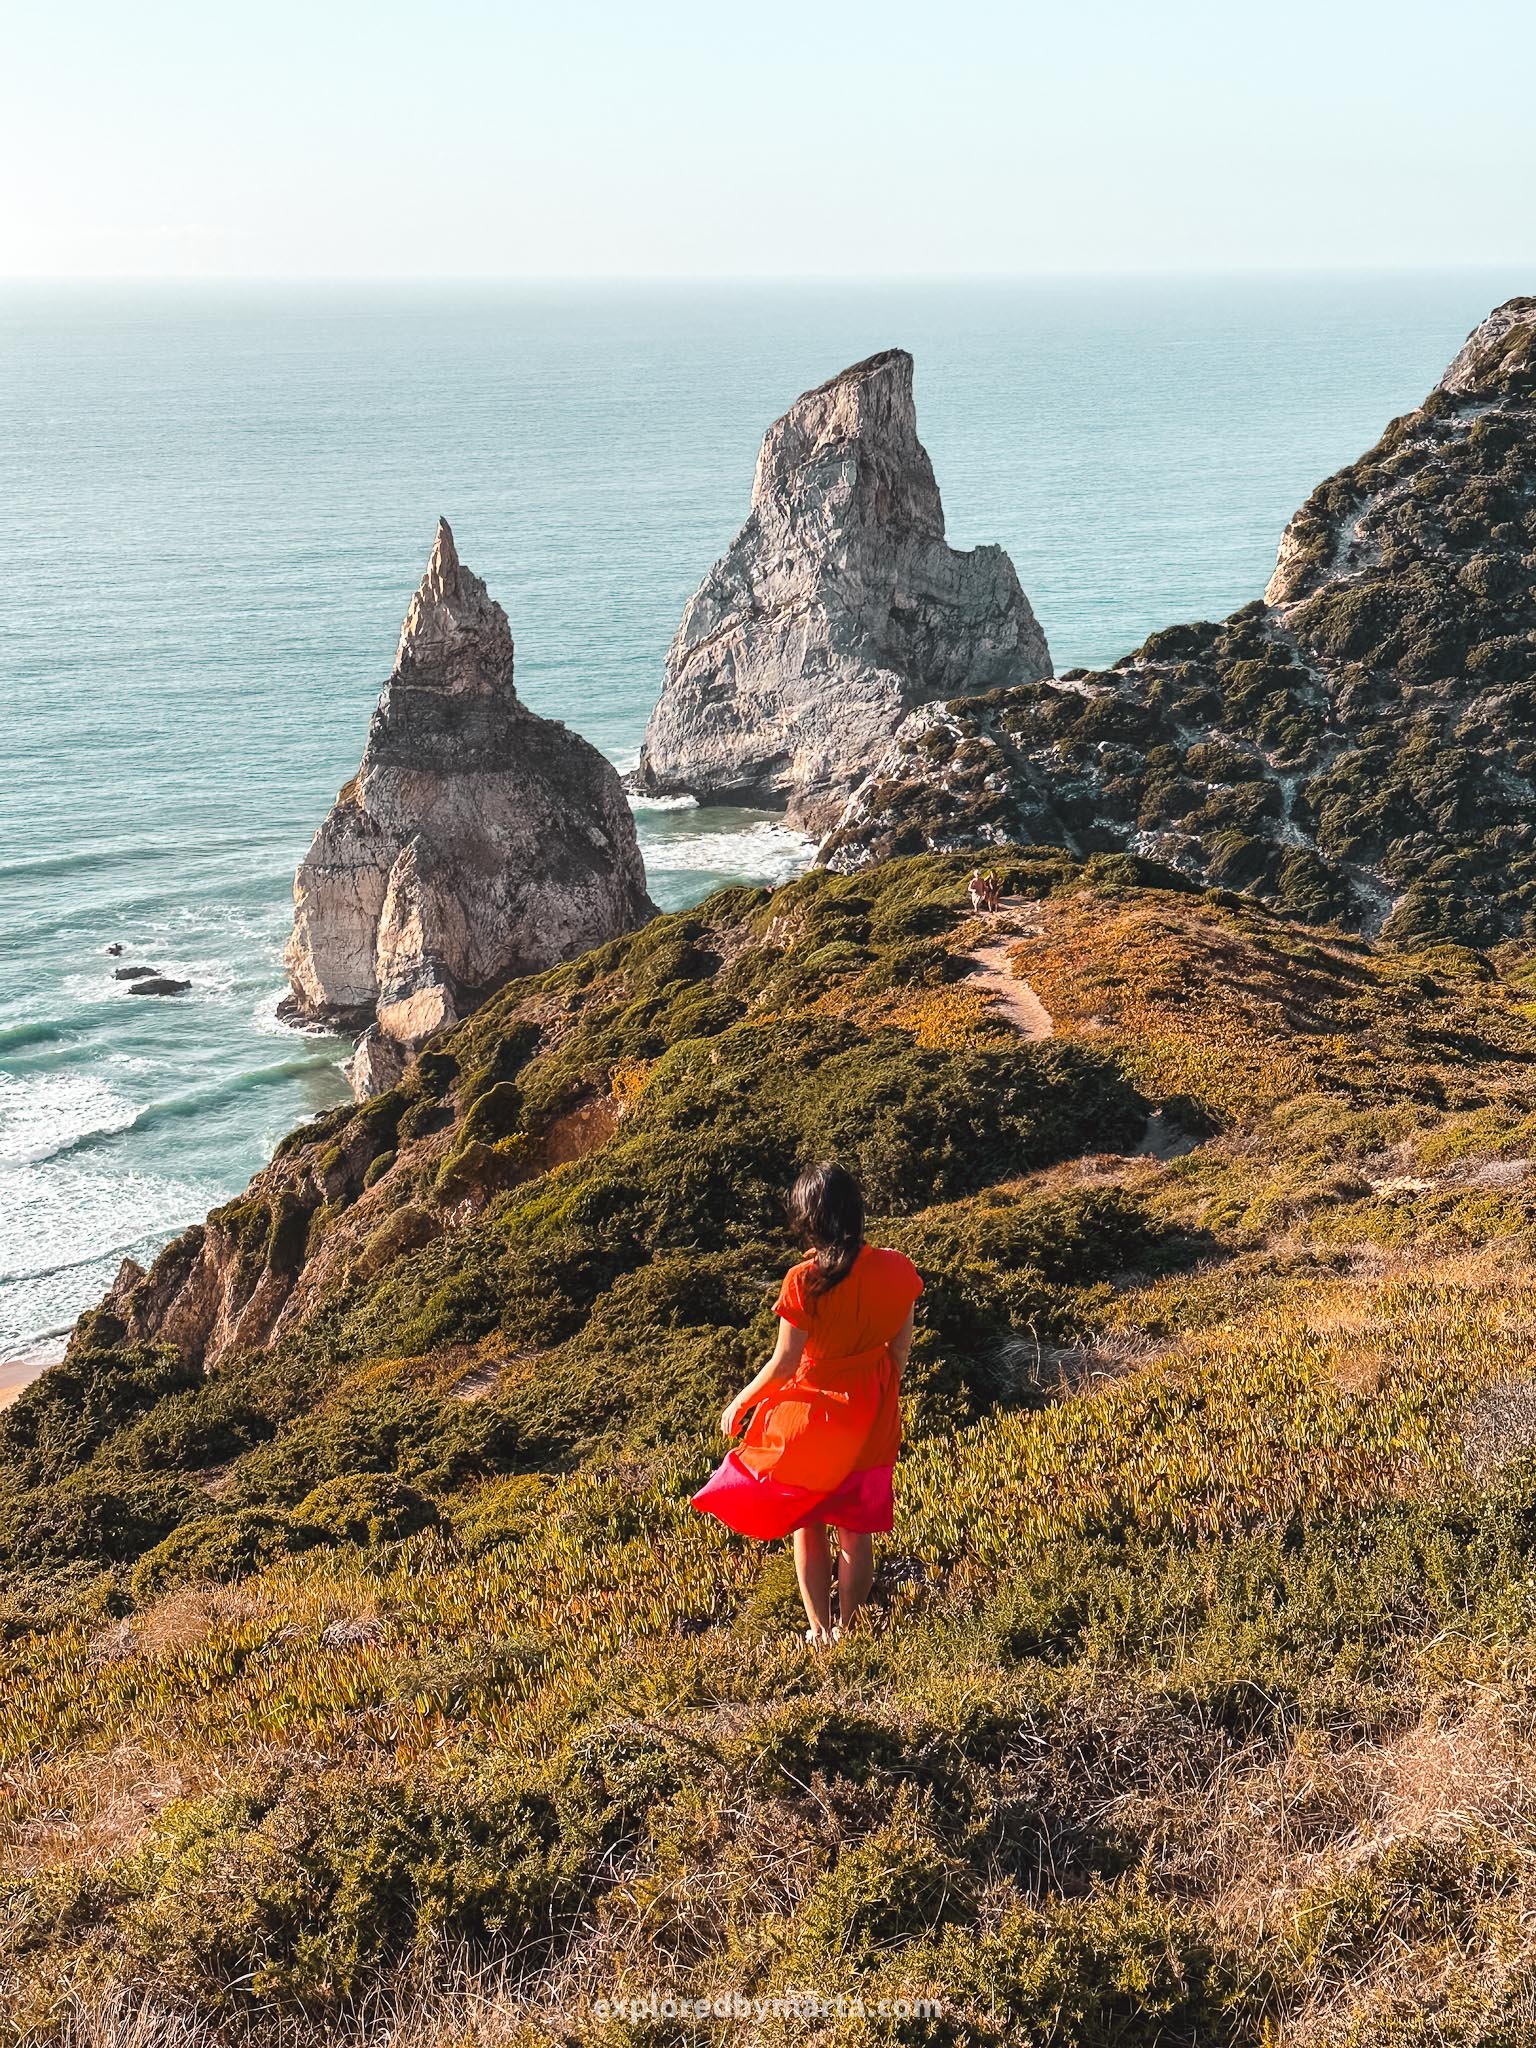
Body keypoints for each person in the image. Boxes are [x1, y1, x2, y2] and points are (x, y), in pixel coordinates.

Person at [691, 1163, 923, 1645]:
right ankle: (851, 1629)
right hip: (873, 1407)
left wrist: (743, 1400)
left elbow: (784, 1363)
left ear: (809, 1220)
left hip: (813, 1412)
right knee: (857, 1529)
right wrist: (878, 1394)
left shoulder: (803, 1280)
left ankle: (819, 1632)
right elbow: (899, 1351)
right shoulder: (899, 1268)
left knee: (809, 1522)